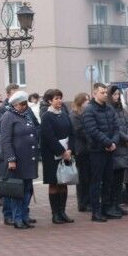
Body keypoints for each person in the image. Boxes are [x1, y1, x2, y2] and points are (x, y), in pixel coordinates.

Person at [0, 91, 38, 229]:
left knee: (28, 189)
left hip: (29, 158)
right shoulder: (8, 117)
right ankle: (17, 218)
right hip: (17, 160)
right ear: (14, 104)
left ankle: (25, 215)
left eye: (25, 103)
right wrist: (11, 159)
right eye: (22, 104)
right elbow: (6, 141)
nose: (24, 106)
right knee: (17, 190)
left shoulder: (26, 115)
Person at [83, 83, 120, 222]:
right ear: (94, 94)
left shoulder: (109, 109)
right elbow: (92, 130)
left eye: (106, 92)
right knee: (96, 182)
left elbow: (117, 127)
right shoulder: (89, 110)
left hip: (110, 150)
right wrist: (108, 143)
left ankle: (106, 208)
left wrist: (114, 142)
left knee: (108, 181)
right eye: (102, 92)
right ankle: (96, 211)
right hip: (97, 151)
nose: (105, 94)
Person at [40, 89, 75, 224]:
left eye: (60, 98)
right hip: (52, 155)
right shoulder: (46, 116)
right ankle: (55, 214)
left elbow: (71, 133)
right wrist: (61, 151)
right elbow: (49, 137)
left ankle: (63, 212)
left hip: (66, 153)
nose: (59, 100)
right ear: (49, 101)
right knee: (54, 183)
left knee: (63, 182)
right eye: (56, 98)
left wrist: (70, 149)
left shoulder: (65, 114)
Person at [108, 85, 128, 217]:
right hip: (117, 147)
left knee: (120, 179)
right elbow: (115, 128)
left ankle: (117, 205)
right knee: (113, 180)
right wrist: (125, 138)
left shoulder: (122, 109)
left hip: (126, 146)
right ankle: (111, 205)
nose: (117, 97)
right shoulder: (109, 109)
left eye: (118, 94)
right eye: (114, 94)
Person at [69, 93, 92, 212]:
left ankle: (89, 201)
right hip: (81, 150)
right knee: (83, 178)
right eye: (86, 100)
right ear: (80, 102)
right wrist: (93, 137)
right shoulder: (75, 115)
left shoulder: (86, 113)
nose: (88, 102)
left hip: (89, 149)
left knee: (89, 177)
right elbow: (79, 131)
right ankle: (83, 203)